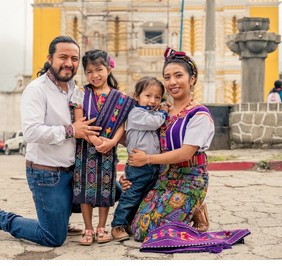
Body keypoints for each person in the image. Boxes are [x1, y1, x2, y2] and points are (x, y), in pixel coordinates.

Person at [0, 36, 102, 247]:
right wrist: (72, 130)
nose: (69, 63)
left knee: (113, 189)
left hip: (73, 172)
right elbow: (31, 132)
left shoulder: (75, 88)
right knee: (53, 238)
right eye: (63, 57)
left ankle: (59, 216)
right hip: (47, 174)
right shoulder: (36, 89)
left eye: (74, 58)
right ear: (49, 58)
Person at [126, 47, 215, 242]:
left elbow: (185, 153)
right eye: (167, 77)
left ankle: (196, 207)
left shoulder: (199, 114)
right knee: (136, 226)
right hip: (163, 177)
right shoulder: (161, 111)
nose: (172, 82)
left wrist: (147, 159)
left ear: (191, 79)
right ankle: (191, 209)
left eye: (178, 75)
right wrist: (132, 170)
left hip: (190, 179)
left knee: (152, 232)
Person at [70, 49, 135, 246]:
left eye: (99, 70)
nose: (94, 75)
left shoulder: (120, 97)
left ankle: (101, 227)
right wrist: (97, 142)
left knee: (105, 188)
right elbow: (79, 121)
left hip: (108, 152)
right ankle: (88, 227)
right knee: (84, 189)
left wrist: (112, 142)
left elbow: (122, 123)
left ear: (108, 69)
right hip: (85, 149)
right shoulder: (81, 93)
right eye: (89, 71)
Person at [110, 76, 168, 242]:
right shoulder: (136, 113)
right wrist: (164, 110)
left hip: (152, 166)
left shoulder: (150, 113)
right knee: (131, 196)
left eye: (157, 97)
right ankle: (117, 225)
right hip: (138, 166)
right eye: (148, 96)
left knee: (144, 196)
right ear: (137, 96)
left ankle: (130, 223)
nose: (153, 100)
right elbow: (155, 123)